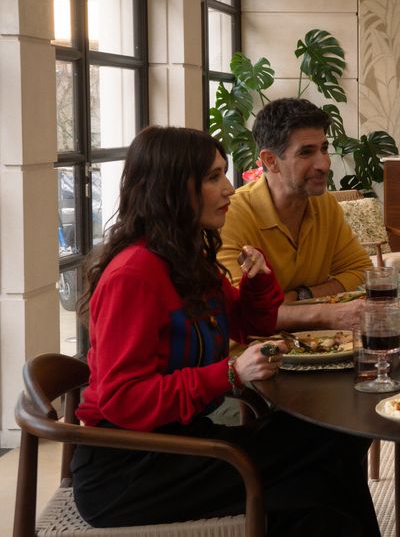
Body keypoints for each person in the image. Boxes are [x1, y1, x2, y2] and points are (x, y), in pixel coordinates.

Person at [72, 126, 379, 535]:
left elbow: (252, 324)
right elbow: (121, 400)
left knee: (333, 443)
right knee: (323, 464)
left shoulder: (187, 256)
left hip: (184, 440)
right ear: (172, 188)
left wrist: (258, 282)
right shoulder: (134, 274)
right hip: (130, 466)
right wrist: (229, 375)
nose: (230, 189)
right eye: (213, 177)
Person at [219, 98, 372, 331]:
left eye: (323, 149)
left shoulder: (325, 205)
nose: (323, 163)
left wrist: (301, 296)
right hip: (253, 358)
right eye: (306, 152)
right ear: (271, 161)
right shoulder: (232, 215)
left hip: (321, 347)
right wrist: (323, 311)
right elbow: (242, 310)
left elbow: (360, 271)